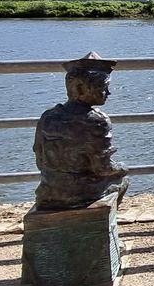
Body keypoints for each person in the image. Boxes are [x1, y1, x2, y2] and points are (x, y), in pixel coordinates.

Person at [33, 53, 129, 210]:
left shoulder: (48, 117)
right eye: (103, 88)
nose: (108, 93)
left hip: (48, 191)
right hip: (81, 194)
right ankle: (100, 223)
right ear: (80, 88)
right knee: (123, 179)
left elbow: (39, 159)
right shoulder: (96, 121)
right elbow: (103, 169)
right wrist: (122, 167)